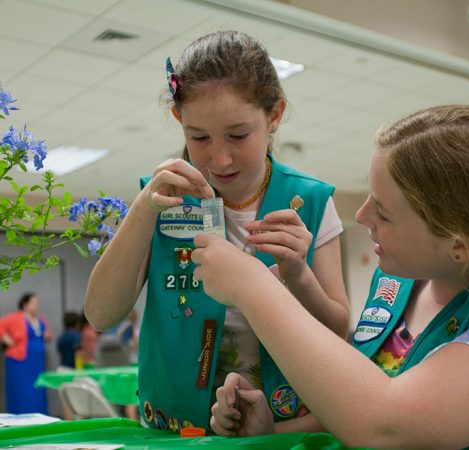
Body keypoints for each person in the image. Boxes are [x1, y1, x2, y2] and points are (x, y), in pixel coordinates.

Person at [198, 105, 469, 449]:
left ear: (459, 245)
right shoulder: (400, 283)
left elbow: (387, 424)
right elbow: (362, 394)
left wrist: (254, 289)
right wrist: (273, 431)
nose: (361, 217)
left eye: (384, 213)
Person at [84, 30, 349, 431]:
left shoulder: (310, 202)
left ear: (274, 115)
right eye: (199, 137)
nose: (220, 158)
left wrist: (300, 276)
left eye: (238, 135)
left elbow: (337, 333)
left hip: (278, 429)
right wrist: (143, 209)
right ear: (179, 120)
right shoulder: (158, 200)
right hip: (176, 428)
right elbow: (101, 314)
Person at [0, 293, 53, 414]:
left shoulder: (40, 319)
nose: (36, 306)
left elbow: (46, 334)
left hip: (37, 360)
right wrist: (6, 338)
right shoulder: (15, 317)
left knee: (38, 388)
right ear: (25, 304)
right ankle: (21, 416)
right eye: (33, 303)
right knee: (22, 389)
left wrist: (47, 336)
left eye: (36, 303)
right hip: (19, 360)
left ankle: (39, 415)